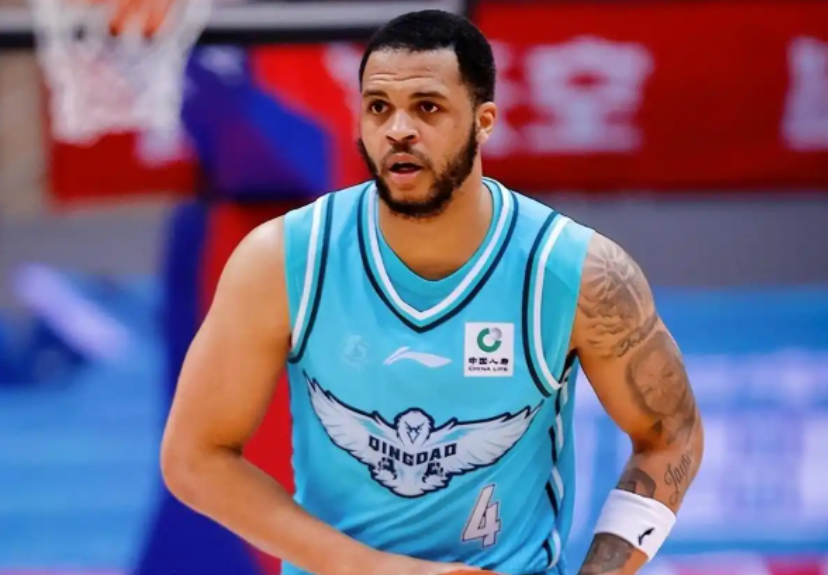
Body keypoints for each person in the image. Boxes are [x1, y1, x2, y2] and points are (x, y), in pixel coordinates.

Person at [160, 10, 704, 575]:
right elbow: (195, 457)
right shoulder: (284, 258)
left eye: (427, 107)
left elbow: (672, 436)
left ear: (484, 121)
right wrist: (375, 569)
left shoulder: (575, 271)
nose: (398, 129)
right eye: (379, 107)